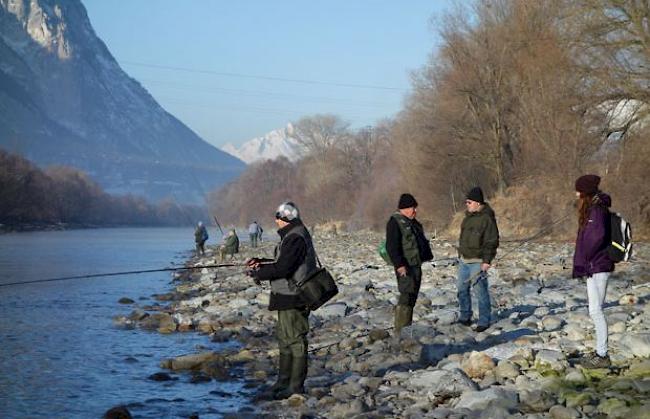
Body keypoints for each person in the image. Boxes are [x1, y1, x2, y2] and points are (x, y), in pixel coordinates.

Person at [246, 202, 315, 399]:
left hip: (293, 296)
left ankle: (295, 386)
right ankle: (283, 382)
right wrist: (260, 262)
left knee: (295, 340)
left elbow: (283, 269)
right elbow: (282, 263)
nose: (275, 222)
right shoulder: (293, 235)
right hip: (286, 296)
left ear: (284, 219)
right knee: (285, 340)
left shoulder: (295, 237)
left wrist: (257, 273)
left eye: (277, 218)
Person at [573, 174, 614, 368]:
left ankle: (602, 354)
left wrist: (586, 258)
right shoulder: (593, 208)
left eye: (579, 191)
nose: (576, 194)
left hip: (598, 266)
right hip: (594, 266)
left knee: (596, 311)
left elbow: (596, 237)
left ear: (585, 192)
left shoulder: (597, 210)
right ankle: (600, 351)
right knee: (594, 310)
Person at [385, 193, 433, 336]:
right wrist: (399, 265)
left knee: (412, 296)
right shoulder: (394, 222)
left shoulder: (413, 223)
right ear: (404, 208)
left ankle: (406, 329)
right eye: (413, 208)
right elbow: (391, 246)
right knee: (406, 296)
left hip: (415, 265)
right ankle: (400, 331)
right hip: (404, 267)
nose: (415, 211)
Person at [456, 187, 499, 333]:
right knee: (462, 289)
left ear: (477, 203)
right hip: (464, 261)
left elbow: (492, 241)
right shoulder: (467, 218)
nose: (466, 204)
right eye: (466, 202)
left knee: (480, 291)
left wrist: (487, 261)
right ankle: (465, 317)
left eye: (469, 202)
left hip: (478, 261)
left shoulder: (487, 219)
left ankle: (484, 320)